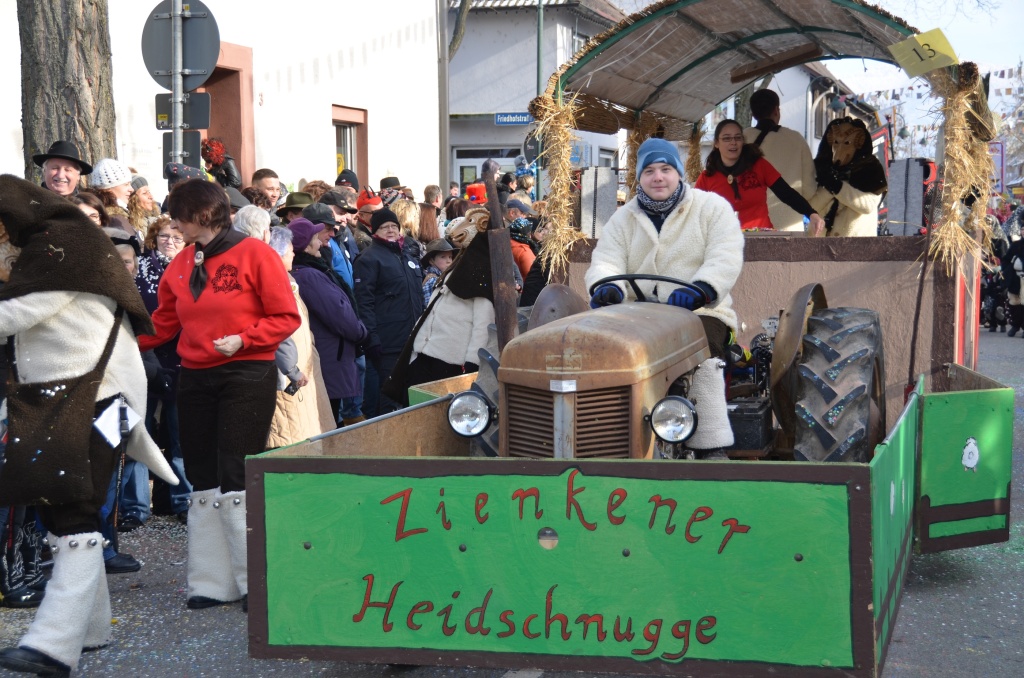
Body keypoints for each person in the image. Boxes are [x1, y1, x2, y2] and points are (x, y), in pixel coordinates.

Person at [0, 175, 178, 677]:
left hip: (97, 397)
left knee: (74, 509)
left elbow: (18, 314)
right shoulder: (51, 247)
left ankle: (53, 645)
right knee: (62, 508)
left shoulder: (63, 248)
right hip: (75, 396)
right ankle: (90, 626)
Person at [137, 179, 300, 611]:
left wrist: (245, 340)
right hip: (195, 375)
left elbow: (285, 316)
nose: (172, 223)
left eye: (178, 215)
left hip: (246, 371)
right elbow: (164, 322)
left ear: (201, 215)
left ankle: (253, 582)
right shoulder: (182, 263)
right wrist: (117, 338)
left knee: (235, 470)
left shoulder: (255, 254)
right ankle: (211, 580)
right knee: (201, 471)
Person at [585, 137, 744, 459]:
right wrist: (607, 285)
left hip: (701, 312)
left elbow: (724, 255)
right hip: (635, 314)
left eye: (666, 169)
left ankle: (709, 443)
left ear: (679, 173)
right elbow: (607, 259)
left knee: (702, 352)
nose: (658, 177)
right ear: (639, 178)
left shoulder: (712, 208)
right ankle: (606, 435)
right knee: (601, 349)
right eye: (650, 170)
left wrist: (701, 288)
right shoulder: (623, 218)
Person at [135, 216, 191, 523]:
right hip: (147, 355)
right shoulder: (141, 270)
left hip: (182, 358)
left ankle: (180, 500)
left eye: (176, 237)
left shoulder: (191, 267)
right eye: (163, 236)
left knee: (179, 435)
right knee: (142, 431)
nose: (169, 241)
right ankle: (137, 507)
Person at [289, 218, 368, 424]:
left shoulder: (307, 272)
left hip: (329, 356)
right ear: (306, 245)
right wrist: (361, 332)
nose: (323, 243)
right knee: (329, 421)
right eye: (316, 238)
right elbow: (339, 314)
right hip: (330, 358)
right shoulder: (311, 276)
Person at [263, 226, 336, 445]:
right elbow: (281, 335)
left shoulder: (288, 283)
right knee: (289, 438)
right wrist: (292, 371)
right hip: (288, 380)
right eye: (289, 250)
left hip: (301, 375)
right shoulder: (275, 285)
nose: (294, 253)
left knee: (303, 434)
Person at [353, 208, 424, 417]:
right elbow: (363, 303)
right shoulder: (369, 258)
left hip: (412, 339)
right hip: (388, 341)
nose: (391, 230)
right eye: (385, 227)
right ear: (375, 231)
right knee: (389, 396)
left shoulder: (406, 255)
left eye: (394, 226)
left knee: (408, 392)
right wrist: (372, 337)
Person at [695, 120, 825, 234]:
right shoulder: (707, 177)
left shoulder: (759, 165)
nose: (733, 143)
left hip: (761, 239)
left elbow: (786, 193)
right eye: (727, 138)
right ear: (717, 143)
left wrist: (811, 213)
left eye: (738, 138)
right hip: (724, 243)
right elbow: (693, 212)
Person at [744, 89, 817, 232]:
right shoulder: (796, 139)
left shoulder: (741, 139)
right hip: (789, 228)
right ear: (777, 111)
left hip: (750, 228)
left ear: (753, 114)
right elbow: (809, 190)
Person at [421, 238, 455, 305]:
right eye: (443, 257)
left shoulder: (445, 277)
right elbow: (429, 306)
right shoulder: (433, 281)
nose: (448, 261)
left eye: (450, 257)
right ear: (431, 261)